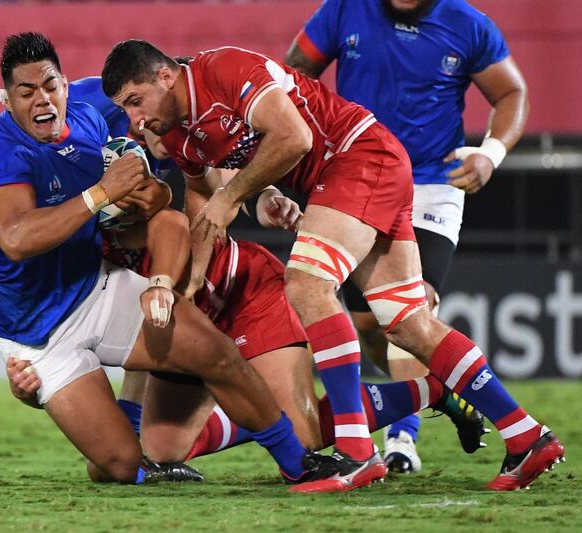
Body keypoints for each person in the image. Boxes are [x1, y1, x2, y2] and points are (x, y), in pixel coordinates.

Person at [100, 39, 564, 492]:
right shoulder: (179, 134)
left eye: (136, 101)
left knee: (306, 283)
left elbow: (295, 136)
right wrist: (195, 280)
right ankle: (525, 435)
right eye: (125, 108)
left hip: (358, 157)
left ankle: (357, 452)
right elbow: (203, 202)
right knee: (406, 323)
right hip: (351, 174)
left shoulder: (223, 68)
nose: (135, 119)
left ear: (165, 75)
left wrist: (235, 194)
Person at [0, 31, 322, 486]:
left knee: (217, 356)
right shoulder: (5, 157)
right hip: (43, 335)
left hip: (113, 284)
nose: (142, 122)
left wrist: (158, 254)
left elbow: (174, 209)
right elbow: (17, 240)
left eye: (50, 87)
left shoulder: (108, 113)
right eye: (26, 92)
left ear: (65, 85)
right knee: (117, 466)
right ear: (7, 100)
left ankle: (302, 464)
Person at [284, 0, 529, 475]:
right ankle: (438, 391)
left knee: (412, 309)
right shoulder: (343, 11)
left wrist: (491, 153)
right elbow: (297, 71)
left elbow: (512, 92)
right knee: (370, 324)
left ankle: (402, 441)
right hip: (358, 179)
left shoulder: (469, 24)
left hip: (431, 187)